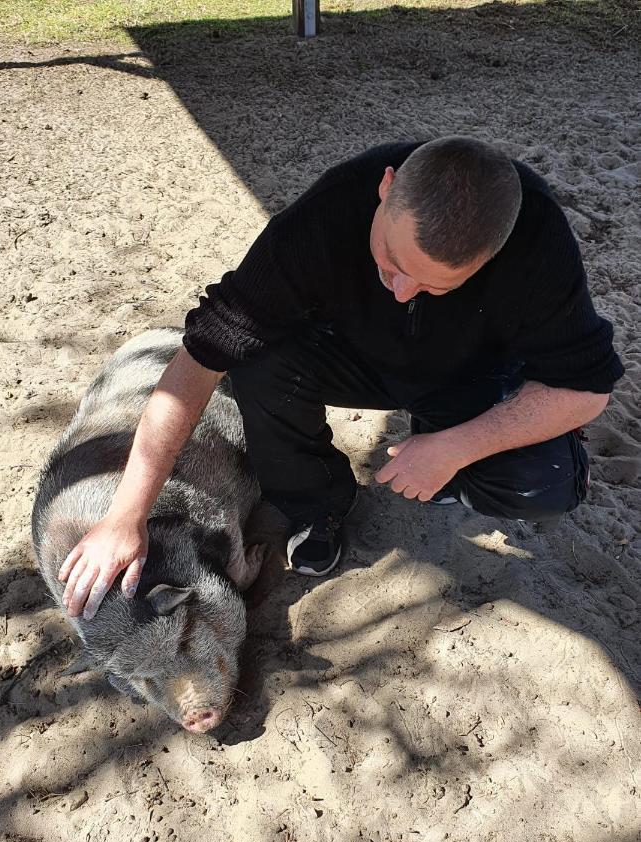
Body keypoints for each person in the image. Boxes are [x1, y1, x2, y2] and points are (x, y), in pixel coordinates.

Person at [58, 137, 623, 616]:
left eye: (435, 286)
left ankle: (443, 452)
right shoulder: (321, 220)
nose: (401, 290)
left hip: (472, 374)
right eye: (390, 262)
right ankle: (317, 507)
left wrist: (455, 447)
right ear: (384, 189)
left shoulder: (537, 243)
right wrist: (126, 513)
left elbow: (586, 387)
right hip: (355, 356)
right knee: (256, 355)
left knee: (544, 488)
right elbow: (200, 358)